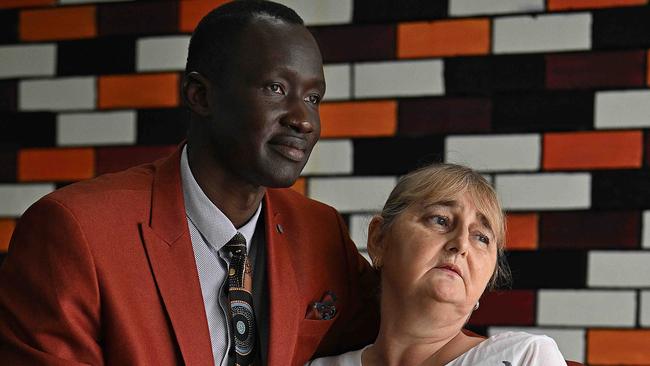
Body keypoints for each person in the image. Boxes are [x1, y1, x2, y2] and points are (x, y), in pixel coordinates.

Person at [0, 1, 378, 365]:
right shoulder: (76, 231)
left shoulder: (320, 231)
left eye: (313, 97)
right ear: (200, 95)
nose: (304, 119)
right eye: (275, 88)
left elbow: (397, 337)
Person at [308, 164, 566, 366]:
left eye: (481, 237)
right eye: (440, 220)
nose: (461, 244)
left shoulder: (526, 358)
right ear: (379, 239)